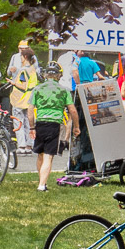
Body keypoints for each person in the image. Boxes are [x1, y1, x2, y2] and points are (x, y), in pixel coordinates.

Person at [28, 62, 80, 192]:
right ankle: (41, 185)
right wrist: (76, 127)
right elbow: (72, 110)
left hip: (40, 123)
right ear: (59, 75)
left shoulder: (37, 89)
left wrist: (32, 127)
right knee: (48, 156)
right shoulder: (64, 90)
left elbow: (30, 110)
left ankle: (42, 181)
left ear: (45, 75)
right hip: (55, 124)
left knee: (40, 154)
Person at [8, 46, 39, 154]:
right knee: (29, 123)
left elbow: (23, 86)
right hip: (30, 100)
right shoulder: (33, 69)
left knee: (18, 122)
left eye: (21, 57)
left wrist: (13, 83)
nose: (20, 59)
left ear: (25, 57)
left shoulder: (23, 71)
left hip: (20, 100)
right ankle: (29, 145)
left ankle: (21, 146)